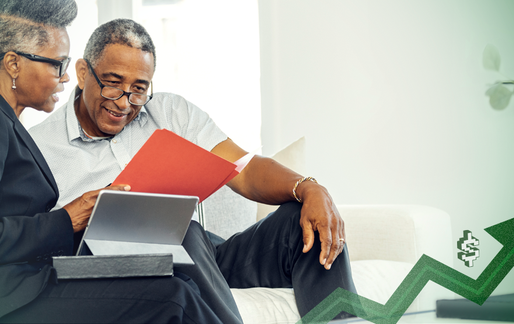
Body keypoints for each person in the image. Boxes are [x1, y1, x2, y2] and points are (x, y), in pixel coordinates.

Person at [0, 0, 228, 324]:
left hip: (24, 281)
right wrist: (67, 219)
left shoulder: (6, 124)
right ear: (13, 64)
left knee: (173, 276)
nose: (66, 77)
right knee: (174, 299)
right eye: (57, 64)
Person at [29, 18, 358, 321]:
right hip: (120, 272)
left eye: (139, 89)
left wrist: (310, 188)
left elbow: (244, 168)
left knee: (299, 220)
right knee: (172, 225)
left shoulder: (172, 112)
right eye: (113, 84)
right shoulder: (40, 148)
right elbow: (39, 246)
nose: (124, 102)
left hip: (200, 255)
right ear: (84, 72)